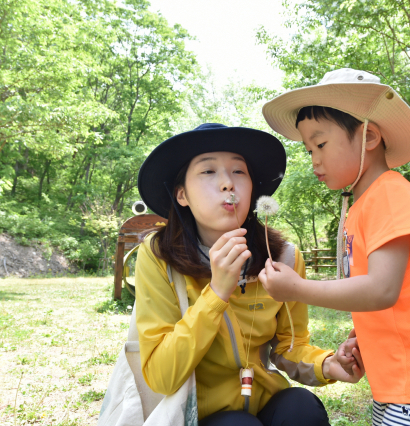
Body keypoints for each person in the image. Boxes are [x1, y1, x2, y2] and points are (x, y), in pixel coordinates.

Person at [259, 69, 410, 426]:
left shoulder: (390, 194)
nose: (313, 159)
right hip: (404, 382)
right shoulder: (362, 205)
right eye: (308, 150)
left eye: (320, 145)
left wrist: (297, 288)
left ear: (369, 136)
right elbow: (387, 296)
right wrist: (364, 337)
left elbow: (382, 288)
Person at [134, 123, 362, 426]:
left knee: (302, 409)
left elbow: (288, 347)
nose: (228, 183)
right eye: (208, 171)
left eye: (239, 172)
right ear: (182, 195)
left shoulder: (283, 257)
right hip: (199, 414)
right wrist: (216, 293)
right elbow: (161, 376)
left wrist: (329, 364)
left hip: (264, 400)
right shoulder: (159, 256)